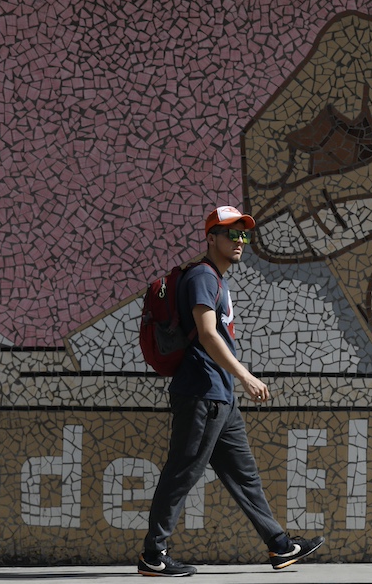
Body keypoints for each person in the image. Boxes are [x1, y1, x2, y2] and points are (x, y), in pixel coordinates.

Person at [137, 205, 325, 577]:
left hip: (219, 396)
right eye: (231, 234)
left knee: (244, 476)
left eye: (244, 234)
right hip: (202, 392)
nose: (240, 241)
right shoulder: (203, 278)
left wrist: (233, 383)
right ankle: (153, 555)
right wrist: (245, 376)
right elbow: (207, 334)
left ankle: (280, 546)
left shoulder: (216, 280)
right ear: (211, 238)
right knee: (182, 473)